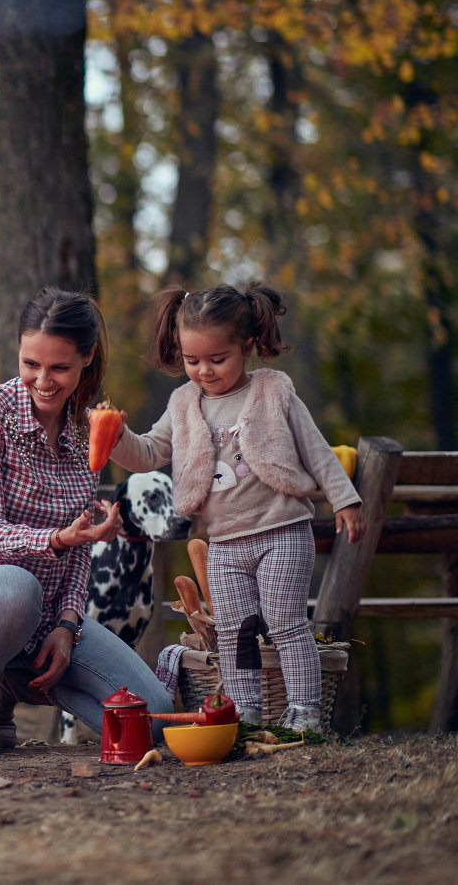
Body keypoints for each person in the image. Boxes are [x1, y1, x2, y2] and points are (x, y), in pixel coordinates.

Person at [0, 288, 173, 756]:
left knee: (150, 717)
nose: (43, 381)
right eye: (30, 364)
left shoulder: (86, 434)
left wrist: (68, 626)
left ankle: (16, 682)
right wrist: (57, 538)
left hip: (44, 626)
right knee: (16, 585)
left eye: (59, 368)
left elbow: (80, 553)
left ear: (87, 359)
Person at [109, 284, 363, 734]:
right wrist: (116, 436)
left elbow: (317, 449)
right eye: (192, 360)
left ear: (246, 347)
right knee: (234, 630)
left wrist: (344, 499)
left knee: (285, 624)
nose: (203, 371)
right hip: (224, 544)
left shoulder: (273, 391)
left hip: (282, 531)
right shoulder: (184, 403)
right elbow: (147, 453)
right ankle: (242, 712)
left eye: (217, 359)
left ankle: (305, 712)